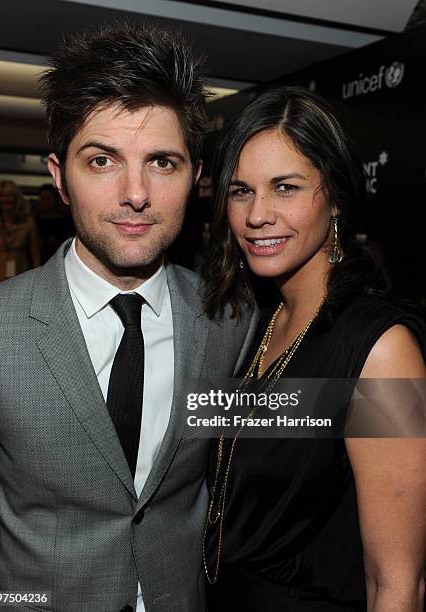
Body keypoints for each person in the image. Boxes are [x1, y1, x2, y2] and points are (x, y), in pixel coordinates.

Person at [0, 22, 257, 612]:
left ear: (195, 177)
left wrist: (387, 369)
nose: (136, 193)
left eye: (162, 162)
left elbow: (315, 431)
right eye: (103, 160)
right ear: (59, 177)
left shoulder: (230, 319)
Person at [202, 86, 426, 611]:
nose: (257, 214)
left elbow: (397, 584)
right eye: (240, 191)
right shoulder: (255, 321)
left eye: (286, 187)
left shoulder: (383, 350)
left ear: (336, 200)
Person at [0, 179, 40, 286]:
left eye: (9, 196)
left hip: (21, 271)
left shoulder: (28, 222)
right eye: (1, 196)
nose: (5, 199)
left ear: (17, 198)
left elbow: (35, 253)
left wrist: (36, 280)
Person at [34, 183, 74, 263]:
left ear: (55, 199)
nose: (45, 202)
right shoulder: (34, 220)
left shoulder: (66, 221)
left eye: (48, 198)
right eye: (43, 198)